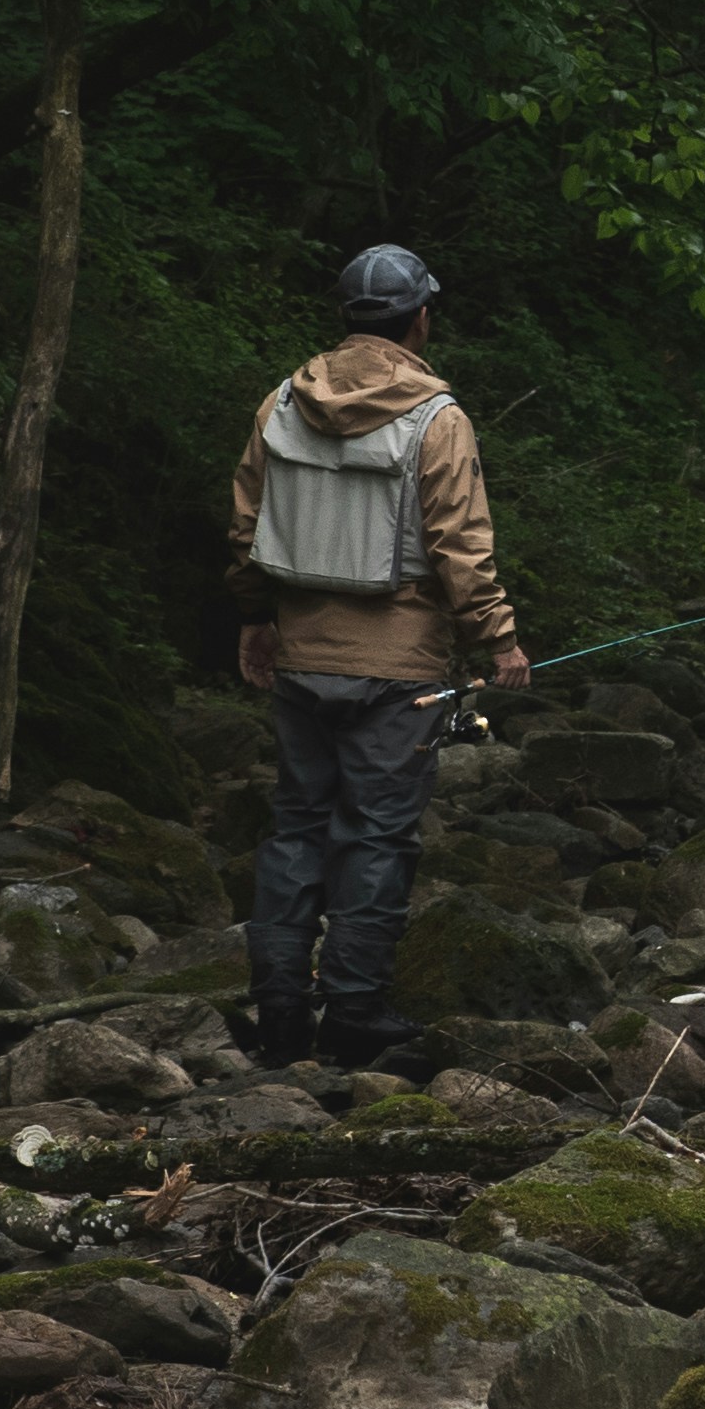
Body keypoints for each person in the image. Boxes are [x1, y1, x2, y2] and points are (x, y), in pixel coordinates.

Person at [226, 242, 530, 1067]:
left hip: (300, 657)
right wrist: (498, 640)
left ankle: (281, 1004)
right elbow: (460, 548)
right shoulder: (438, 418)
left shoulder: (282, 403)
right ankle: (356, 1009)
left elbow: (247, 528)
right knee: (377, 836)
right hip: (398, 673)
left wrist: (257, 620)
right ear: (420, 320)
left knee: (295, 827)